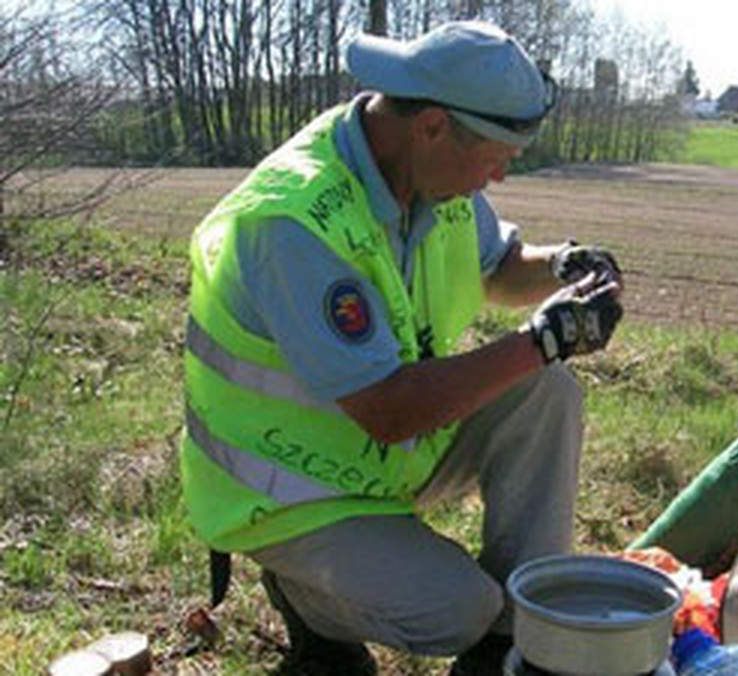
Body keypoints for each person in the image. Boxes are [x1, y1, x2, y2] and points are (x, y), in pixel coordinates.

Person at [180, 21, 624, 676]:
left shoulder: (429, 175)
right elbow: (390, 411)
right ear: (434, 125)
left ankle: (512, 641)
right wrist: (542, 339)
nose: (501, 173)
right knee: (456, 610)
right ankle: (304, 593)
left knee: (548, 390)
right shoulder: (294, 222)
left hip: (378, 459)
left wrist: (562, 265)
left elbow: (499, 268)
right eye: (497, 153)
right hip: (288, 495)